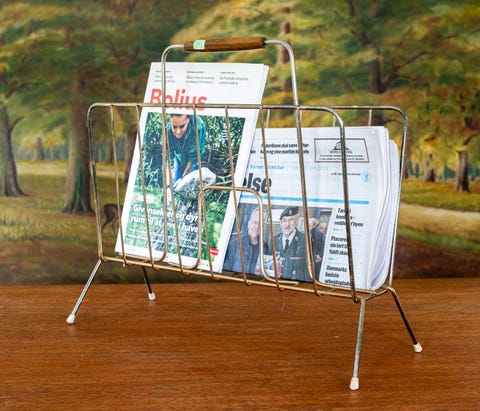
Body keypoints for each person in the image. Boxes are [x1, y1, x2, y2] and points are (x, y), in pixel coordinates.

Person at [223, 208, 268, 275]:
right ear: (249, 224)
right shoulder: (234, 244)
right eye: (255, 222)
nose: (257, 226)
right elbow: (226, 271)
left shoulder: (265, 247)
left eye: (261, 224)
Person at [167, 114, 206, 186]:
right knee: (174, 182)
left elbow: (194, 157)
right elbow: (169, 154)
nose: (178, 132)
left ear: (188, 119)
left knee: (188, 185)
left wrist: (183, 179)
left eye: (182, 126)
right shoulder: (168, 129)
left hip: (194, 160)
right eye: (174, 127)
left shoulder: (198, 128)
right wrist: (170, 179)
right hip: (179, 157)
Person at [273, 206, 309, 282]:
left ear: (297, 221)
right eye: (284, 221)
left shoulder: (305, 240)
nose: (287, 225)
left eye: (291, 220)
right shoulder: (274, 239)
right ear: (280, 223)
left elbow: (308, 270)